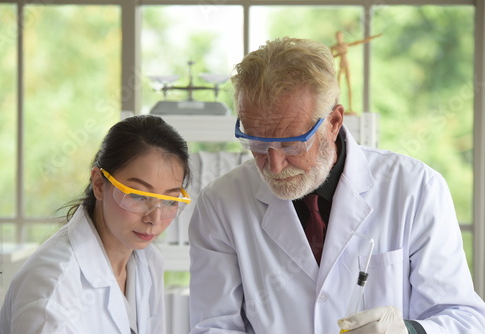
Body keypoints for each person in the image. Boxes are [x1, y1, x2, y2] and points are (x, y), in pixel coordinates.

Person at [188, 37, 485, 334]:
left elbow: (463, 318)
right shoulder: (221, 203)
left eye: (291, 144)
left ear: (333, 122)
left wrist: (410, 331)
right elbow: (213, 326)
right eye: (257, 143)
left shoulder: (417, 189)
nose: (274, 165)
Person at [0, 115, 191, 334]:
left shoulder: (146, 260)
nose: (154, 219)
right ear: (99, 184)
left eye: (169, 200)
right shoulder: (53, 290)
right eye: (138, 196)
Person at [330, 31, 381, 114]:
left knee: (349, 86)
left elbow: (360, 41)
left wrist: (375, 36)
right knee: (338, 87)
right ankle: (336, 106)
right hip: (340, 66)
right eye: (337, 36)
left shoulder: (345, 45)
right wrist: (340, 54)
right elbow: (331, 57)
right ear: (336, 37)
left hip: (346, 65)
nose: (339, 38)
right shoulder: (334, 47)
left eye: (340, 36)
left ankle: (350, 107)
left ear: (342, 37)